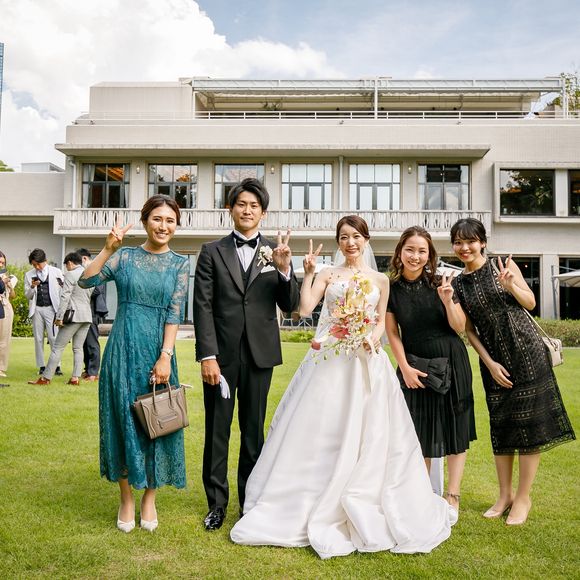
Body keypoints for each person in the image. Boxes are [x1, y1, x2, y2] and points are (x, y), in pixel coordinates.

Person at [230, 216, 456, 559]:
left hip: (367, 361)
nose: (350, 243)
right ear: (339, 242)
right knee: (322, 429)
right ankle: (308, 496)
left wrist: (371, 339)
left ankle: (366, 491)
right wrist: (308, 273)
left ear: (366, 240)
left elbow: (381, 321)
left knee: (372, 432)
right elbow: (304, 309)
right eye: (344, 237)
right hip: (330, 359)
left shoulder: (380, 279)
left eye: (356, 236)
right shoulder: (327, 274)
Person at [450, 218, 575, 525]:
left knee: (529, 425)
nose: (465, 248)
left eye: (471, 241)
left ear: (482, 242)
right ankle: (504, 494)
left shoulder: (501, 266)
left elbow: (530, 303)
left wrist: (511, 285)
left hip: (527, 353)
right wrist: (489, 363)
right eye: (458, 242)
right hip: (494, 361)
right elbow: (469, 330)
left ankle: (523, 497)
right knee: (502, 426)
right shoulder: (458, 284)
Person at [193, 178, 300, 531]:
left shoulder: (276, 251)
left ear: (263, 213)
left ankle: (250, 502)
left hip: (260, 354)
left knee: (253, 432)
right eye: (241, 204)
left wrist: (284, 270)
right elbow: (203, 306)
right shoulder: (211, 251)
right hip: (221, 357)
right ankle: (216, 504)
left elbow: (291, 304)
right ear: (230, 209)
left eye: (254, 206)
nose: (247, 210)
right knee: (217, 430)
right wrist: (208, 355)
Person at [79, 195, 189, 533]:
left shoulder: (179, 264)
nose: (163, 226)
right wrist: (107, 249)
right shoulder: (125, 257)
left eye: (170, 220)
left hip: (158, 351)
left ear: (176, 226)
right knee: (122, 420)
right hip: (122, 349)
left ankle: (149, 498)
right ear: (145, 221)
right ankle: (126, 498)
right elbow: (86, 281)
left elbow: (174, 313)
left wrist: (165, 356)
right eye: (157, 218)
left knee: (157, 420)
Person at [385, 226, 476, 515]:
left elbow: (459, 327)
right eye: (410, 249)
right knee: (419, 429)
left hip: (452, 360)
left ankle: (453, 494)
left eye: (422, 251)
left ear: (430, 255)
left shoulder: (442, 282)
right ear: (400, 252)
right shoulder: (391, 288)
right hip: (414, 364)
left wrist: (448, 300)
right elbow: (392, 333)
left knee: (455, 426)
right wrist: (404, 368)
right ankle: (421, 492)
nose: (415, 256)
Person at [28, 252, 93, 386]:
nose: (66, 269)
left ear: (70, 263)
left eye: (66, 266)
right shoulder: (89, 274)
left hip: (73, 316)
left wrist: (59, 317)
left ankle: (45, 378)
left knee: (57, 347)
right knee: (78, 348)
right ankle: (75, 378)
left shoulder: (70, 275)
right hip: (86, 315)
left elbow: (65, 297)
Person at [24, 248, 64, 376]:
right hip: (37, 309)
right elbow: (28, 295)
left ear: (45, 261)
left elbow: (63, 291)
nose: (36, 267)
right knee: (38, 338)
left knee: (53, 338)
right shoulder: (29, 275)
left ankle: (56, 365)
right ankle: (41, 366)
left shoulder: (57, 272)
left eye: (38, 264)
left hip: (52, 309)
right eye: (34, 265)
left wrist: (61, 310)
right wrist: (32, 286)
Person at [77, 248, 107, 381]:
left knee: (92, 342)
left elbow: (97, 290)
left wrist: (80, 290)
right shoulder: (87, 271)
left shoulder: (96, 269)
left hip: (93, 311)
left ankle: (93, 372)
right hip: (85, 311)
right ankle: (88, 370)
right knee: (84, 342)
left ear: (84, 258)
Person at [0, 251, 17, 378]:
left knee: (4, 340)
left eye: (3, 263)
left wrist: (10, 286)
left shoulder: (6, 276)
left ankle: (1, 367)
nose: (1, 265)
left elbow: (13, 296)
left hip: (5, 306)